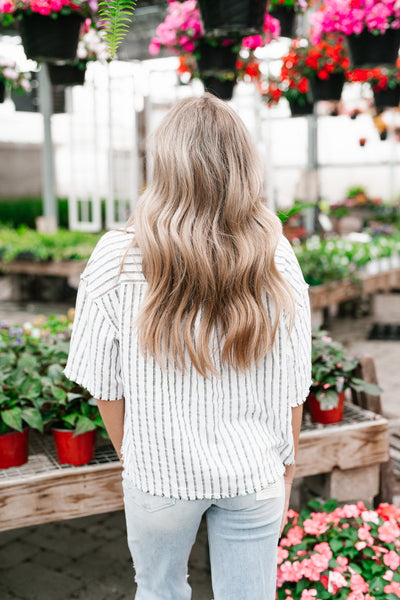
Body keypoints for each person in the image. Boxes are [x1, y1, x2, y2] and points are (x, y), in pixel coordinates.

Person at [64, 93, 312, 600]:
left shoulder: (116, 255)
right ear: (244, 166)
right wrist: (286, 468)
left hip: (159, 474)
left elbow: (103, 383)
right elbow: (293, 380)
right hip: (255, 471)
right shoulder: (275, 253)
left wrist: (134, 457)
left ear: (166, 165)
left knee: (159, 591)